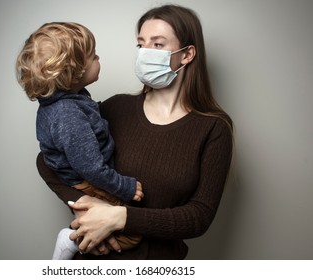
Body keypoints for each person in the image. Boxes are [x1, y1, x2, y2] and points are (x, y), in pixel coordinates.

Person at [36, 4, 233, 260]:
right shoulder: (115, 108)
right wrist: (86, 211)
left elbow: (199, 216)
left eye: (158, 44)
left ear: (187, 54)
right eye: (141, 44)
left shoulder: (214, 128)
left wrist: (120, 218)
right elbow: (49, 160)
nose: (145, 53)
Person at [16, 22, 143, 259]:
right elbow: (91, 168)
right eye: (93, 56)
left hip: (85, 175)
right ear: (72, 72)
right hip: (87, 180)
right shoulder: (67, 114)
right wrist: (123, 186)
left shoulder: (71, 99)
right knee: (131, 233)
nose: (98, 58)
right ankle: (71, 241)